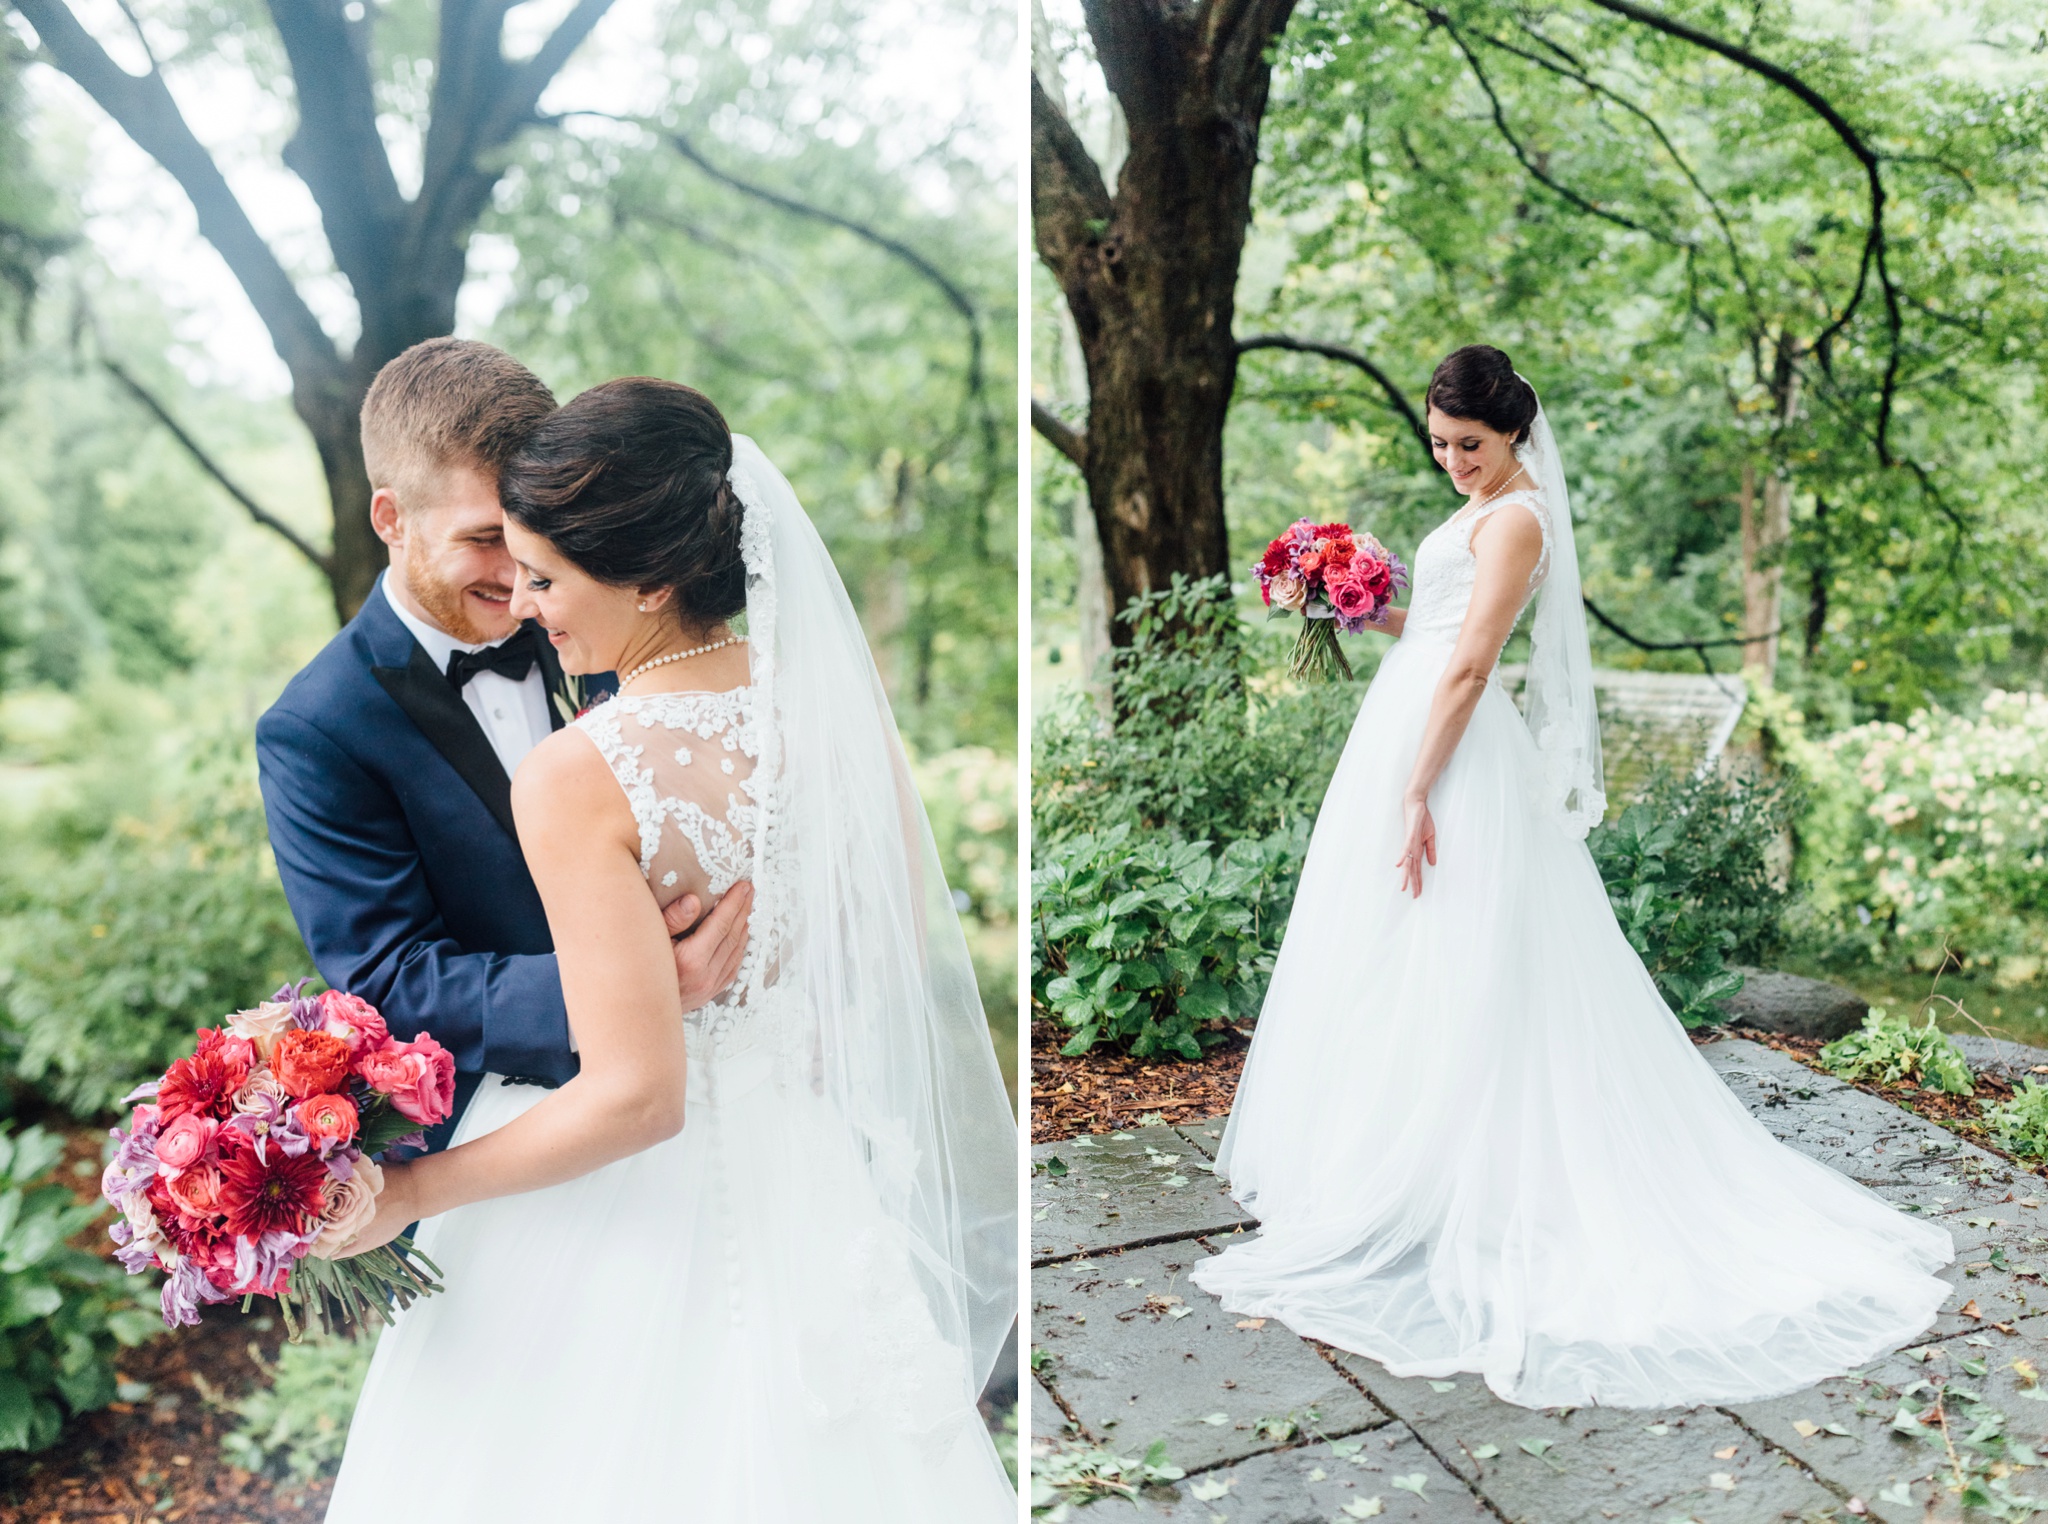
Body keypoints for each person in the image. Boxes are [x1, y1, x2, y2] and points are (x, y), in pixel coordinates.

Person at [1189, 344, 1954, 1410]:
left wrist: (1417, 790)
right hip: (1410, 726)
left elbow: (1471, 663)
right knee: (1404, 951)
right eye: (1437, 444)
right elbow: (1436, 635)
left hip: (1449, 754)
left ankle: (1473, 1178)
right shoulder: (1478, 509)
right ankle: (1406, 1167)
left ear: (1511, 433)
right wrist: (1349, 606)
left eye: (1468, 444)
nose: (1451, 461)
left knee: (1460, 947)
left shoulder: (1517, 519)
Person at [322, 378, 1017, 1518]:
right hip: (805, 1168)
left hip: (631, 1204)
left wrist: (408, 1190)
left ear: (650, 581)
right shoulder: (836, 709)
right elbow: (864, 950)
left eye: (546, 576)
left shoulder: (580, 770)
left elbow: (641, 1098)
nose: (526, 604)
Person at [257, 340, 752, 1154]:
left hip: (735, 1100)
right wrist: (633, 989)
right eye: (487, 538)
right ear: (390, 518)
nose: (522, 577)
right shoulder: (319, 726)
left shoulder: (611, 613)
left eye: (543, 538)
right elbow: (389, 979)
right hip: (515, 1127)